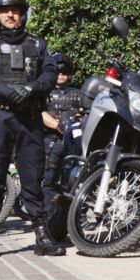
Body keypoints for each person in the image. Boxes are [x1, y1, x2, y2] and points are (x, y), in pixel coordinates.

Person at [0, 0, 65, 260]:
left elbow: (50, 73)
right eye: (5, 10)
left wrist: (31, 89)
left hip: (30, 119)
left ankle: (42, 236)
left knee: (33, 178)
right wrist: (8, 93)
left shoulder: (37, 44)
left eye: (16, 10)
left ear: (23, 13)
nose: (11, 14)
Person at [41, 53, 80, 215]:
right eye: (58, 72)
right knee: (48, 180)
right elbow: (39, 113)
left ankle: (67, 217)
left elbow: (84, 114)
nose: (61, 76)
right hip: (49, 142)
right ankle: (48, 218)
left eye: (64, 73)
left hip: (72, 143)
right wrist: (58, 126)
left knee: (71, 180)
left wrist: (72, 124)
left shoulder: (78, 93)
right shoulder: (44, 92)